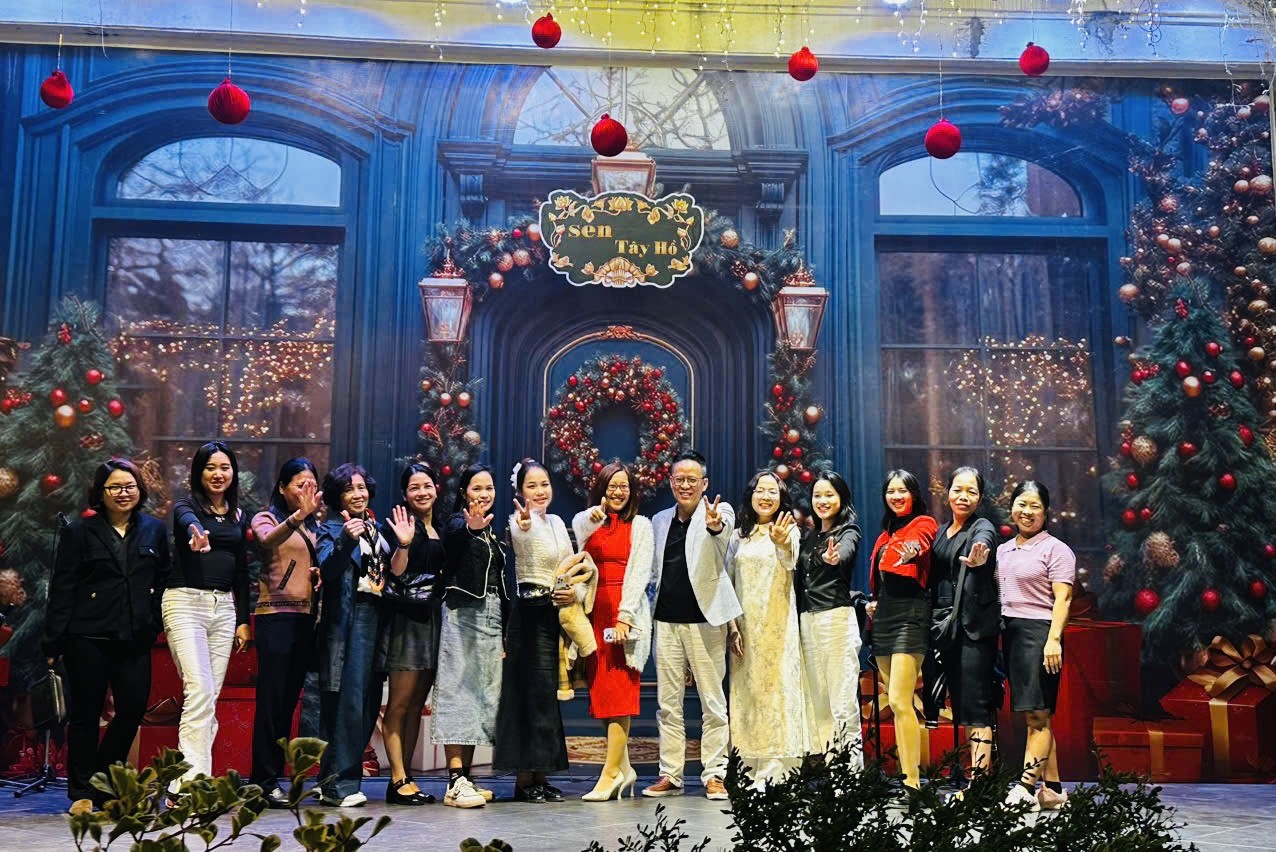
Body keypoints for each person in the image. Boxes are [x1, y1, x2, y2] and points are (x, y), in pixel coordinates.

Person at [44, 459, 169, 815]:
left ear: (139, 490)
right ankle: (82, 791)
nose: (123, 493)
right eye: (115, 487)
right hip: (86, 636)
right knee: (85, 714)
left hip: (134, 636)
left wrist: (154, 622)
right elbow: (63, 587)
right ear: (101, 492)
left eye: (130, 486)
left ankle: (103, 782)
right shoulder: (79, 532)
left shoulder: (154, 530)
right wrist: (53, 641)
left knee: (132, 709)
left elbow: (163, 578)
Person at [642, 450, 741, 802]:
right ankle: (671, 774)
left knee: (712, 702)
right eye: (679, 479)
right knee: (668, 704)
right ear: (671, 482)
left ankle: (714, 774)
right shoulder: (658, 520)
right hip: (666, 622)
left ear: (704, 483)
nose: (686, 485)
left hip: (706, 621)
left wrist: (714, 524)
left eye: (692, 479)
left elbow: (721, 532)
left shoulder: (720, 511)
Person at [493, 458, 585, 803]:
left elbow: (570, 565)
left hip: (554, 613)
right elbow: (522, 533)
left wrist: (572, 592)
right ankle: (524, 778)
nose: (540, 491)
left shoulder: (558, 521)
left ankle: (541, 774)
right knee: (528, 695)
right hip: (529, 615)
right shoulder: (519, 521)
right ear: (520, 492)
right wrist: (524, 522)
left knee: (546, 696)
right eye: (531, 486)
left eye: (544, 484)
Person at [165, 441, 251, 798]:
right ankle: (187, 784)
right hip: (185, 602)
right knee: (199, 691)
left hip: (224, 608)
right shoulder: (185, 507)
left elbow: (242, 571)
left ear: (233, 472)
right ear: (199, 472)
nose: (218, 474)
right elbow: (187, 523)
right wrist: (195, 536)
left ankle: (192, 782)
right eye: (210, 467)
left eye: (224, 467)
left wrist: (243, 620)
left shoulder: (238, 514)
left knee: (208, 697)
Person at [571, 461, 653, 801]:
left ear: (632, 491)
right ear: (601, 489)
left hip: (623, 615)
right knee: (603, 695)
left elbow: (640, 574)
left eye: (624, 486)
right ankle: (626, 767)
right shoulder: (589, 521)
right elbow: (578, 536)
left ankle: (610, 774)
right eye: (612, 485)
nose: (618, 492)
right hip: (593, 615)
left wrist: (625, 618)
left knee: (620, 696)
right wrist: (593, 518)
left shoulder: (641, 525)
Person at [726, 469, 808, 787]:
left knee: (776, 692)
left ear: (780, 498)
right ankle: (748, 765)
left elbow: (790, 560)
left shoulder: (789, 530)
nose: (765, 496)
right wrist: (732, 627)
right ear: (751, 495)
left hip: (777, 627)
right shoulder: (738, 536)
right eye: (760, 490)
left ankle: (776, 769)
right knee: (747, 694)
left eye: (772, 491)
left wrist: (782, 542)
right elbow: (728, 582)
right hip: (744, 630)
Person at [250, 457, 323, 807]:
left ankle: (273, 778)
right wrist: (297, 516)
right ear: (282, 487)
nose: (307, 490)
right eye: (300, 484)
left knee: (288, 702)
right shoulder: (267, 517)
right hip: (275, 617)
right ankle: (262, 780)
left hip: (306, 619)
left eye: (312, 484)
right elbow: (266, 541)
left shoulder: (315, 525)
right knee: (271, 701)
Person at [997, 480, 1074, 812]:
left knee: (1038, 715)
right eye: (1022, 504)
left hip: (1040, 633)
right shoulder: (1003, 550)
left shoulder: (1056, 549)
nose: (1027, 512)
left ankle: (1026, 788)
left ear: (1046, 512)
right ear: (1012, 507)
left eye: (1035, 506)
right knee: (1035, 714)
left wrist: (1053, 639)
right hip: (1011, 633)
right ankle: (1053, 789)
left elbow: (1063, 599)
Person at [315, 462, 389, 807]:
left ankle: (332, 780)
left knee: (366, 703)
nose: (358, 494)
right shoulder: (331, 529)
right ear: (337, 496)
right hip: (349, 621)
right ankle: (339, 786)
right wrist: (346, 538)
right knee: (347, 703)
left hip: (376, 618)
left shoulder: (375, 528)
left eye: (361, 487)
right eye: (349, 489)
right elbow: (328, 570)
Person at [434, 464, 506, 809]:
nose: (484, 494)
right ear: (464, 493)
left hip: (491, 614)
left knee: (480, 696)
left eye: (489, 488)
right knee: (458, 692)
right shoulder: (457, 523)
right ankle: (454, 779)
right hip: (463, 614)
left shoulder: (491, 530)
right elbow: (453, 538)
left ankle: (467, 777)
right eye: (477, 488)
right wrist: (469, 527)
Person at [378, 462, 445, 806]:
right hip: (405, 622)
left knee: (418, 704)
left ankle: (407, 778)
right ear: (405, 494)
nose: (422, 492)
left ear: (436, 489)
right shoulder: (400, 524)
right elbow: (394, 572)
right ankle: (397, 777)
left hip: (432, 620)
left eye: (427, 485)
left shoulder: (442, 526)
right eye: (414, 487)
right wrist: (403, 544)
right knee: (400, 704)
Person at [867, 469, 937, 790]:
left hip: (911, 613)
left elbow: (921, 542)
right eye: (891, 491)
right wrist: (872, 604)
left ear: (914, 494)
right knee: (895, 703)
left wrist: (913, 551)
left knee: (899, 699)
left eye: (902, 490)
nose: (896, 496)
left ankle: (913, 781)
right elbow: (880, 580)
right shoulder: (884, 535)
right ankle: (907, 774)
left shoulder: (923, 523)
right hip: (884, 618)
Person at [928, 466, 999, 778]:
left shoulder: (982, 526)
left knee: (976, 703)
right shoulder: (941, 531)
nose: (963, 496)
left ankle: (981, 780)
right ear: (947, 493)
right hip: (945, 627)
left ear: (979, 498)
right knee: (960, 702)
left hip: (973, 627)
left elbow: (984, 542)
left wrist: (980, 557)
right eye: (958, 489)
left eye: (971, 491)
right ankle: (974, 774)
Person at [796, 470, 863, 764]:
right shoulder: (811, 536)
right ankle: (831, 769)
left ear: (841, 498)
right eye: (817, 495)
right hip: (807, 620)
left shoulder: (848, 531)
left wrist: (835, 558)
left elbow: (845, 552)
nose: (822, 501)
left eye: (829, 495)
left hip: (835, 619)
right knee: (819, 703)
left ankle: (850, 776)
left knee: (842, 701)